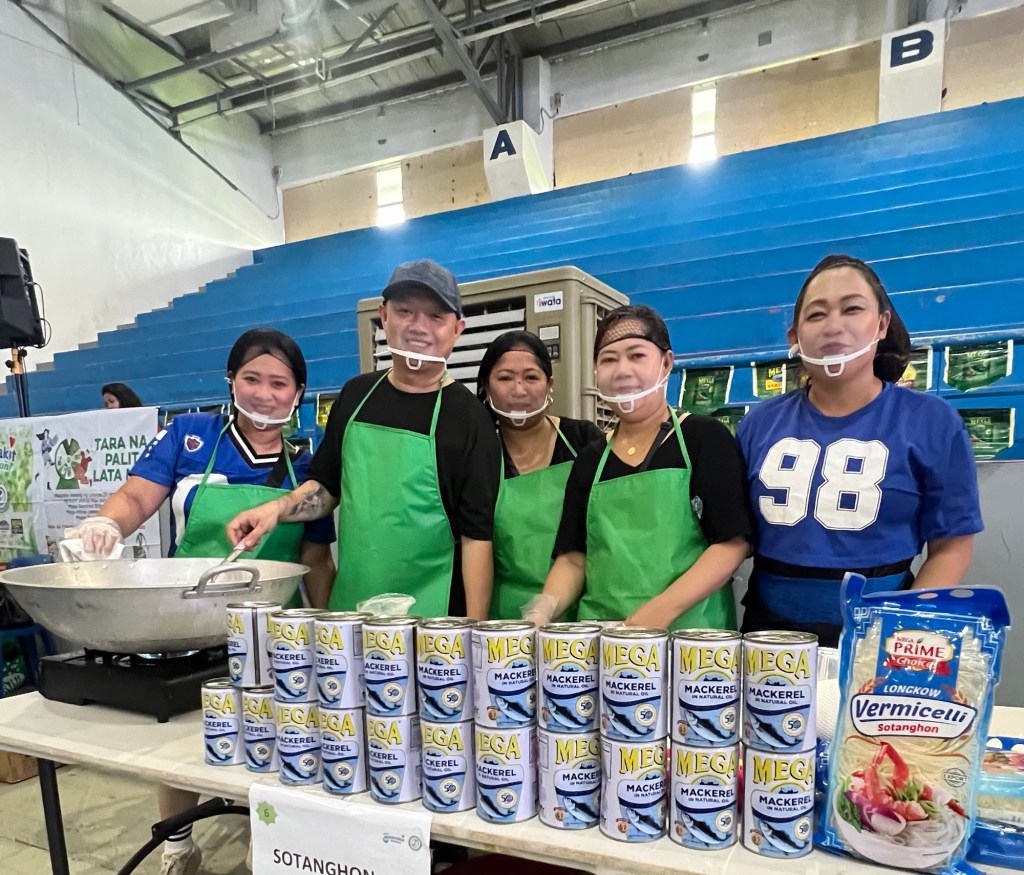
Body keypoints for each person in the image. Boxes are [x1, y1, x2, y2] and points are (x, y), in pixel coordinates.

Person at [70, 328, 336, 875]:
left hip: (272, 633)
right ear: (231, 381)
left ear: (298, 393)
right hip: (187, 622)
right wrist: (107, 523)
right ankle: (178, 846)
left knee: (271, 739)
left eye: (279, 384)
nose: (264, 394)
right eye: (252, 379)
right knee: (181, 744)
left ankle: (266, 841)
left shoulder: (306, 469)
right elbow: (137, 496)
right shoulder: (189, 436)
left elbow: (316, 558)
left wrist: (322, 625)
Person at [228, 260, 501, 620]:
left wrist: (474, 631)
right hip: (354, 611)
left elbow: (476, 538)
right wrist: (275, 510)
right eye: (405, 311)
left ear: (457, 329)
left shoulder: (470, 418)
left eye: (436, 316)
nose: (419, 326)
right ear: (384, 315)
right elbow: (326, 489)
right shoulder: (356, 396)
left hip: (435, 621)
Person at [737, 255, 983, 647]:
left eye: (852, 309)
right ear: (794, 336)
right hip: (767, 633)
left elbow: (952, 545)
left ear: (882, 324)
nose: (834, 326)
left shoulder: (933, 420)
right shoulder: (758, 424)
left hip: (884, 631)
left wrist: (904, 628)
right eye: (816, 314)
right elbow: (734, 536)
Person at [525, 305, 752, 631]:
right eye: (608, 360)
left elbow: (731, 544)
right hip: (603, 639)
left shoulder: (703, 438)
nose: (622, 370)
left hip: (690, 640)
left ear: (666, 363)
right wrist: (542, 610)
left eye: (636, 356)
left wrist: (658, 612)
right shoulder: (590, 460)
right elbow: (574, 559)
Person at [477, 330, 604, 620]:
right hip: (506, 622)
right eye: (505, 378)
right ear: (486, 387)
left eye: (531, 377)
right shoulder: (479, 454)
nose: (519, 389)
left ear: (549, 384)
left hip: (583, 617)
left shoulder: (584, 441)